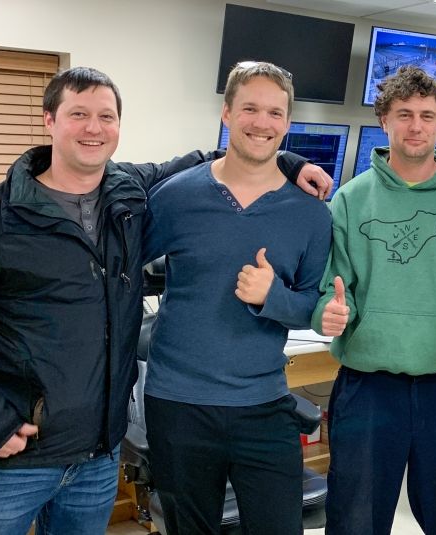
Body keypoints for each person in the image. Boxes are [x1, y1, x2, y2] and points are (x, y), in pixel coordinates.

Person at [0, 66, 330, 535]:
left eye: (106, 116)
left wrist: (290, 163)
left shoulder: (126, 196)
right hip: (18, 450)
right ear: (49, 119)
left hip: (98, 454)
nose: (94, 128)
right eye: (78, 114)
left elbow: (235, 154)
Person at [141, 61, 332, 535]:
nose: (261, 123)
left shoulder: (311, 215)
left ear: (287, 123)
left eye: (274, 112)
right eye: (249, 108)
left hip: (264, 404)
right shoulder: (174, 197)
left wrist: (274, 298)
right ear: (226, 114)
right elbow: (121, 275)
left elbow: (314, 305)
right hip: (178, 404)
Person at [312, 65, 436, 535]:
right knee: (356, 519)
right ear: (384, 121)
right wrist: (327, 314)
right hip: (368, 387)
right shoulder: (351, 201)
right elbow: (328, 290)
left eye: (427, 115)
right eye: (404, 114)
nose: (415, 126)